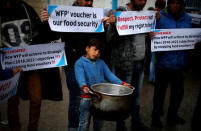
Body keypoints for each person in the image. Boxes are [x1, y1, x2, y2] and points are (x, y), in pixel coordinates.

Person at [41, 1, 108, 131]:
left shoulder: (96, 16)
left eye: (91, 0)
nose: (89, 2)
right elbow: (52, 35)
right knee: (76, 101)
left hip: (92, 66)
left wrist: (104, 28)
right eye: (86, 0)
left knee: (92, 100)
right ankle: (73, 128)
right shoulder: (64, 13)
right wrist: (46, 22)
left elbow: (101, 44)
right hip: (72, 66)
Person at [0, 0, 63, 131]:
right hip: (11, 65)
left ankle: (32, 128)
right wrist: (6, 68)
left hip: (30, 63)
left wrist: (46, 22)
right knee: (12, 103)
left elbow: (40, 34)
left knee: (36, 99)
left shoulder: (26, 8)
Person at [107, 0, 151, 131]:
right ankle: (120, 127)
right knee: (123, 96)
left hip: (141, 61)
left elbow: (146, 36)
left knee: (136, 95)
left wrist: (151, 34)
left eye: (145, 0)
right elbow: (109, 39)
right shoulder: (121, 12)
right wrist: (114, 25)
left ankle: (136, 123)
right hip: (125, 64)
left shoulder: (145, 15)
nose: (143, 2)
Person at [74, 38, 130, 131]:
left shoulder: (101, 62)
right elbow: (80, 76)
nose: (96, 53)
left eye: (99, 52)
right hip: (86, 98)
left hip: (100, 99)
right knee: (84, 123)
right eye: (95, 50)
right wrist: (83, 86)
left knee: (99, 123)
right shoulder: (79, 63)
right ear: (87, 48)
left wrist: (122, 83)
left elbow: (109, 75)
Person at [151, 0, 192, 128]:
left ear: (181, 5)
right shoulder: (159, 17)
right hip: (163, 63)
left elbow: (191, 37)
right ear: (168, 4)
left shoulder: (188, 18)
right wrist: (152, 30)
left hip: (180, 64)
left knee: (177, 94)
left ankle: (172, 115)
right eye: (173, 2)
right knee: (159, 94)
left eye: (178, 3)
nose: (175, 5)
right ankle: (155, 118)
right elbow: (150, 33)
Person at [148, 0, 166, 83]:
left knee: (152, 59)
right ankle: (155, 79)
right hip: (161, 40)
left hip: (152, 38)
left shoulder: (151, 12)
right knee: (157, 60)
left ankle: (151, 78)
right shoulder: (164, 14)